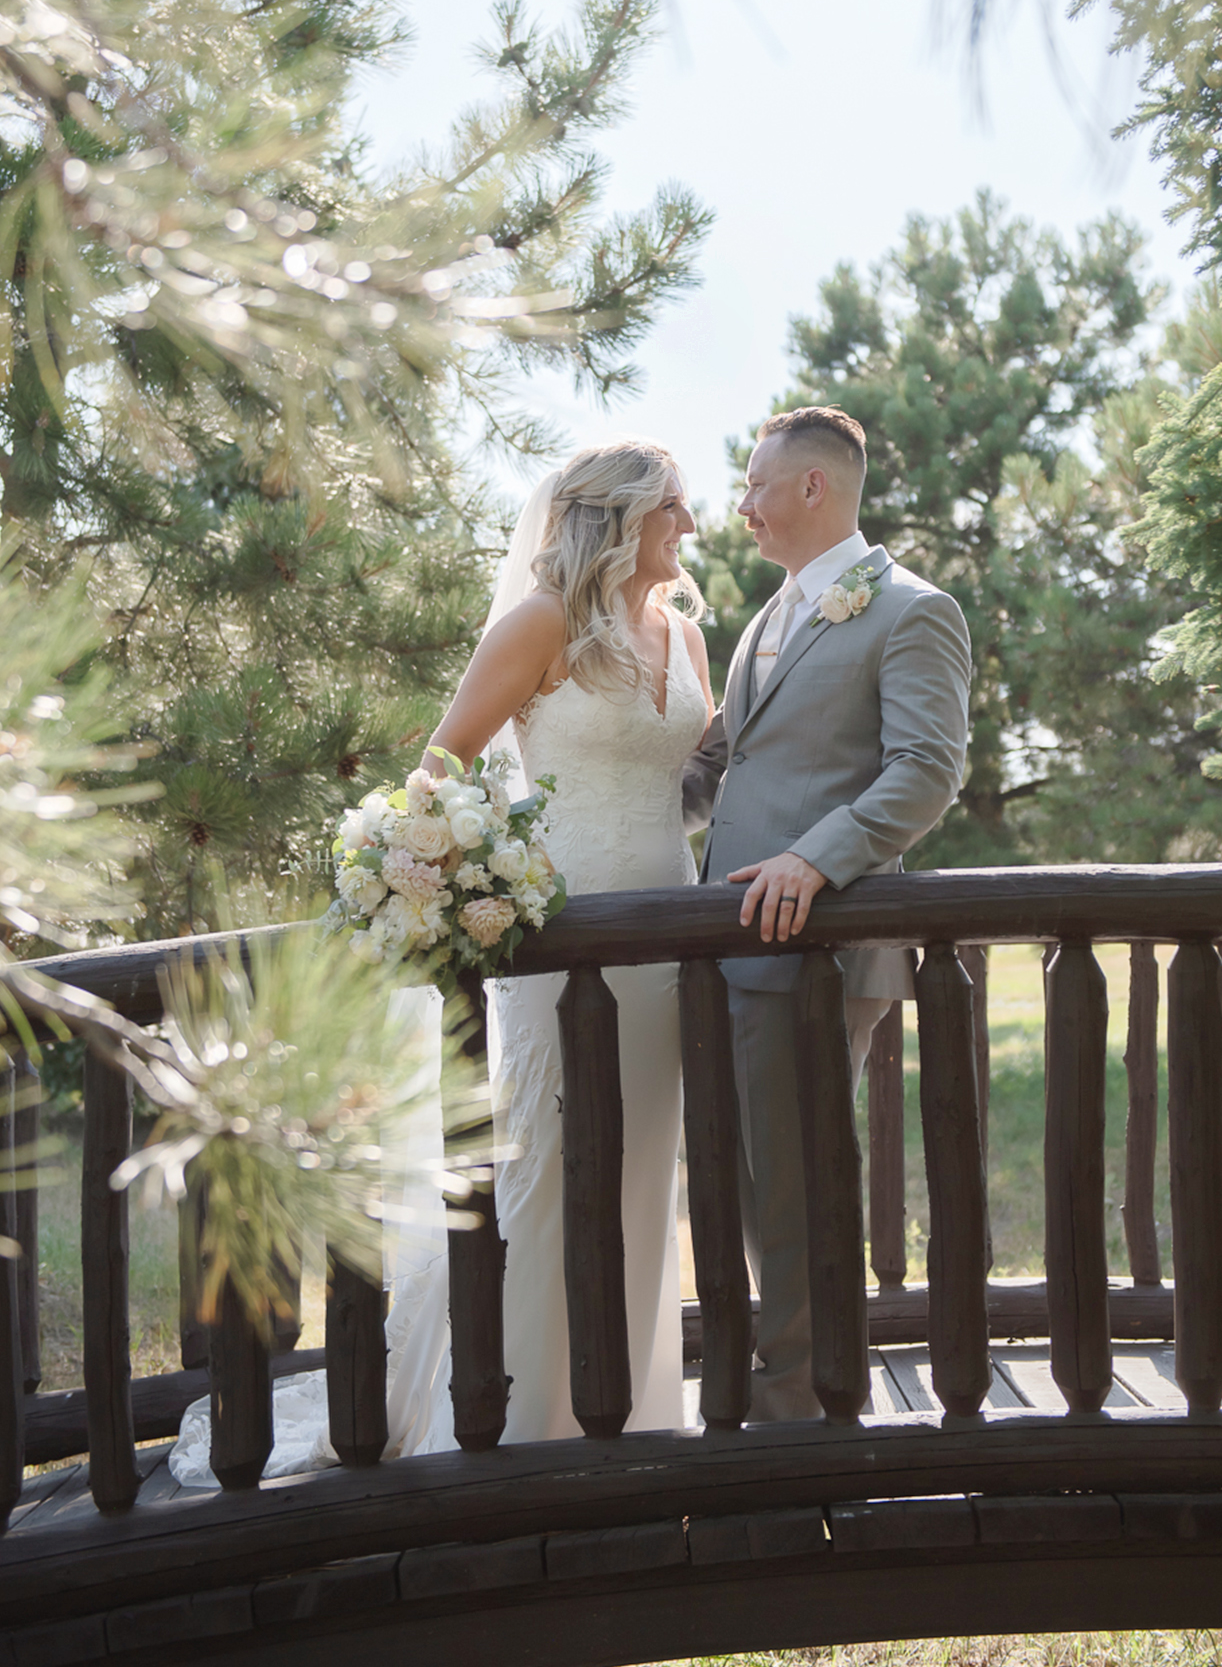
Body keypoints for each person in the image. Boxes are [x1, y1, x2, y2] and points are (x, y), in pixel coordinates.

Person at [171, 439, 713, 1485]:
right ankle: (518, 1429)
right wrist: (475, 885)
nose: (689, 527)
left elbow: (692, 775)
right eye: (674, 508)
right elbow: (439, 773)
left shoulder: (684, 633)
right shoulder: (541, 622)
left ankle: (634, 1414)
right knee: (550, 1169)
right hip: (561, 945)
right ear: (619, 517)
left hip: (670, 935)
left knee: (647, 1163)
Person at [683, 406, 970, 1423]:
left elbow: (928, 769)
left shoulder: (910, 609)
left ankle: (805, 1407)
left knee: (798, 1181)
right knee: (756, 1180)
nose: (743, 503)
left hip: (815, 950)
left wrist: (817, 854)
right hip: (730, 947)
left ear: (813, 488)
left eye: (758, 483)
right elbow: (725, 762)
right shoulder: (770, 615)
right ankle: (782, 1381)